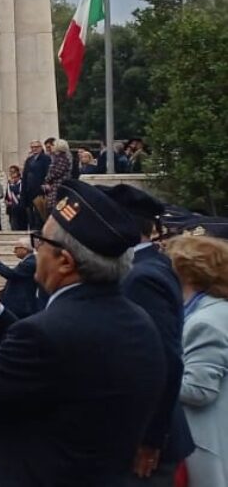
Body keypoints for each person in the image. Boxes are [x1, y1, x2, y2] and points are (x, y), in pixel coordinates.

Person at [0, 180, 166, 485]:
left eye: (41, 242)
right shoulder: (137, 321)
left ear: (65, 262)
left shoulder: (48, 333)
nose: (36, 249)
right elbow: (56, 364)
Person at [110, 185, 195, 483]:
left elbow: (165, 361)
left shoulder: (140, 276)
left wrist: (151, 438)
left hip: (145, 444)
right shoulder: (147, 266)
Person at [169, 235, 228, 486]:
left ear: (188, 272)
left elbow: (200, 390)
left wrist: (151, 375)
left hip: (205, 444)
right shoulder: (215, 310)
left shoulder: (205, 321)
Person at [0, 238, 42, 319]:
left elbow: (11, 274)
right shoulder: (28, 261)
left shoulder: (30, 262)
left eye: (16, 248)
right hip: (19, 304)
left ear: (25, 249)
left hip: (22, 305)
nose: (14, 251)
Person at [20, 140, 50, 229]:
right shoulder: (29, 160)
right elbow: (25, 175)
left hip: (40, 190)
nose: (34, 149)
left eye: (36, 147)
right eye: (32, 147)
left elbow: (47, 173)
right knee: (30, 214)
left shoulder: (45, 159)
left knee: (40, 213)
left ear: (41, 148)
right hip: (29, 190)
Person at [5, 165, 29, 232]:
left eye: (13, 172)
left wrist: (12, 186)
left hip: (21, 207)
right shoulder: (9, 183)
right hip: (12, 208)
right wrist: (6, 201)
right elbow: (7, 194)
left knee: (22, 226)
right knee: (13, 225)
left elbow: (21, 193)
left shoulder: (23, 183)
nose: (11, 174)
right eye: (10, 172)